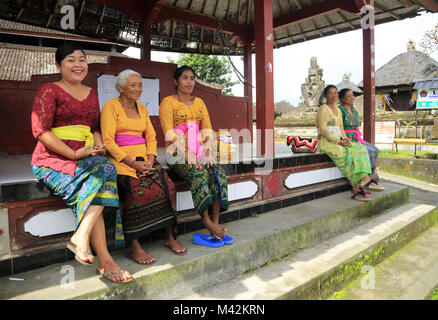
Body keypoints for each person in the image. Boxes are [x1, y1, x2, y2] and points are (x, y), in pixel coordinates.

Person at [30, 42, 132, 283]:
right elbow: (40, 130)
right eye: (71, 60)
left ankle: (81, 236)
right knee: (102, 174)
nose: (78, 65)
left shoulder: (92, 93)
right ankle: (105, 259)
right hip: (51, 158)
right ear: (59, 65)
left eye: (82, 59)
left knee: (104, 168)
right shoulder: (48, 90)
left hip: (85, 154)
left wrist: (98, 145)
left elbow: (94, 128)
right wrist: (73, 154)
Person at [101, 69, 186, 265]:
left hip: (145, 160)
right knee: (137, 191)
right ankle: (134, 246)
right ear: (121, 88)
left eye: (140, 85)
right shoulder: (110, 107)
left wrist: (150, 159)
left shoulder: (142, 108)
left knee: (168, 186)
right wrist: (132, 163)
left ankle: (169, 237)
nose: (138, 88)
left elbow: (150, 136)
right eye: (133, 85)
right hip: (122, 162)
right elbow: (108, 140)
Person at [159, 65, 231, 244]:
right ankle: (206, 221)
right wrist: (187, 155)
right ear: (176, 81)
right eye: (185, 78)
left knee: (217, 174)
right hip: (176, 152)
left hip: (199, 150)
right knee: (198, 173)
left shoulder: (199, 102)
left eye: (192, 78)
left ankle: (216, 226)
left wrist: (207, 150)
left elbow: (207, 128)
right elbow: (168, 133)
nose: (189, 81)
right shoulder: (168, 102)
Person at [316, 85, 384, 202]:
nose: (334, 95)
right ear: (326, 96)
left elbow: (341, 127)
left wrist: (345, 139)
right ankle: (357, 188)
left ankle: (364, 180)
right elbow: (323, 130)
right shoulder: (323, 109)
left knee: (359, 148)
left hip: (339, 140)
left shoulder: (337, 109)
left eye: (336, 93)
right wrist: (339, 141)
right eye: (331, 93)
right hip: (327, 142)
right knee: (348, 154)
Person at [338, 88, 379, 178]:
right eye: (349, 96)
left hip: (356, 139)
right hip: (346, 139)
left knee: (375, 150)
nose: (352, 97)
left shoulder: (354, 111)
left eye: (353, 95)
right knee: (367, 151)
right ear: (342, 99)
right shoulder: (340, 111)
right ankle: (366, 176)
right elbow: (337, 127)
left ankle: (372, 172)